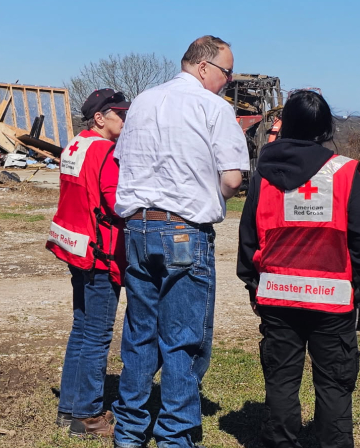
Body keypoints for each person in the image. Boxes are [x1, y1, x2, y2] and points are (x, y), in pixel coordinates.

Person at [112, 36, 249, 448]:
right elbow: (232, 178)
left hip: (136, 227)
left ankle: (131, 430)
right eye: (226, 73)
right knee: (182, 338)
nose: (228, 82)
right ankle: (175, 435)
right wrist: (205, 190)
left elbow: (123, 161)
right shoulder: (213, 108)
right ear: (205, 67)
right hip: (183, 231)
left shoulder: (143, 101)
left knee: (139, 332)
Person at [236, 90, 360, 448]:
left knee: (282, 380)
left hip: (277, 297)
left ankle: (280, 441)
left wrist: (253, 286)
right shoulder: (344, 172)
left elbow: (248, 239)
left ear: (285, 126)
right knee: (334, 382)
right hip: (332, 299)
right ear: (324, 129)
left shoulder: (262, 176)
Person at [46, 88, 130, 438]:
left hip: (74, 247)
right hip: (99, 252)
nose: (125, 120)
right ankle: (88, 416)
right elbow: (117, 204)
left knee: (80, 329)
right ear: (100, 117)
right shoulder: (105, 151)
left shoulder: (76, 145)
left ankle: (68, 407)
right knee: (96, 335)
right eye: (120, 114)